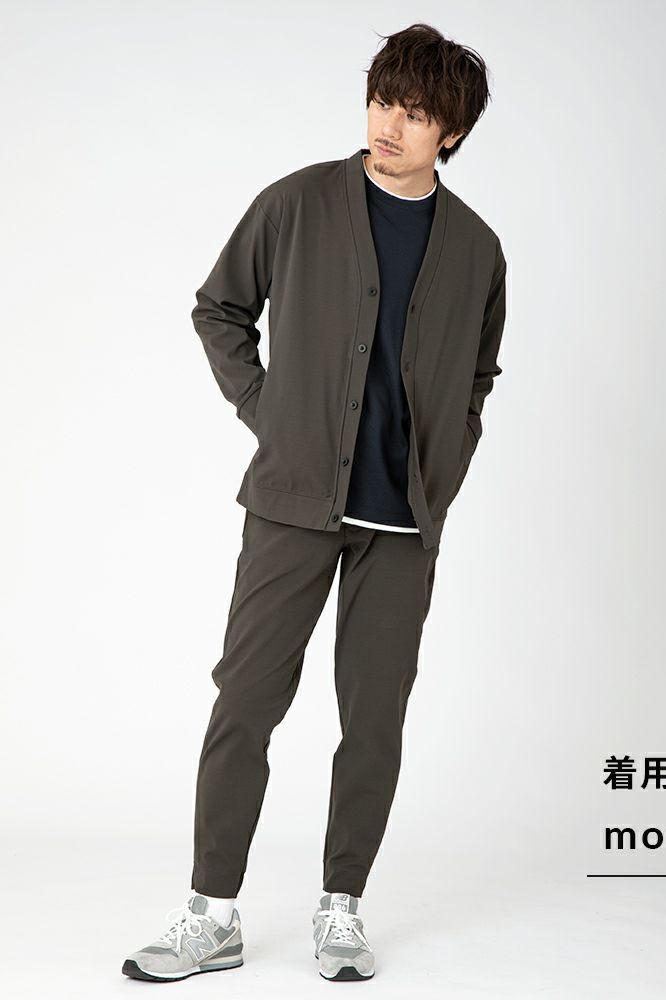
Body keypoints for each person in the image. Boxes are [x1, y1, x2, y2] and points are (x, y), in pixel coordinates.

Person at [122, 22, 507, 983]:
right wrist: (272, 413)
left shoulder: (477, 249)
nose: (389, 125)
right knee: (246, 699)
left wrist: (446, 466)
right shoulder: (296, 203)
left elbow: (478, 376)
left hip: (403, 524)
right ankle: (211, 913)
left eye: (414, 113)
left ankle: (342, 907)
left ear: (451, 132)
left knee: (374, 721)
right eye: (382, 101)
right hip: (293, 502)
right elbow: (219, 308)